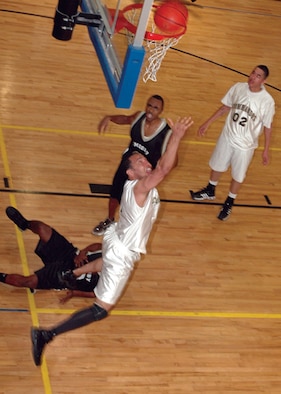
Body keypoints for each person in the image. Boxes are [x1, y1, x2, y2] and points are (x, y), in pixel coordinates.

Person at [30, 115, 193, 366]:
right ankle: (46, 334)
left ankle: (72, 273)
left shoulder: (136, 186)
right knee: (100, 310)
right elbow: (164, 168)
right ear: (130, 173)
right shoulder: (139, 187)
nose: (145, 161)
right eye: (139, 161)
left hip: (116, 236)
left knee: (106, 261)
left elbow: (165, 163)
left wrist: (172, 141)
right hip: (122, 247)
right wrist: (178, 135)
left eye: (145, 158)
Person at [190, 65, 275, 221]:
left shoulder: (267, 101)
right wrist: (207, 123)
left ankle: (229, 202)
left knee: (238, 175)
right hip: (227, 137)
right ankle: (210, 190)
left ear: (264, 81)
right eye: (252, 73)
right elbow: (225, 108)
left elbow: (267, 127)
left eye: (258, 76)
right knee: (216, 165)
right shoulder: (238, 87)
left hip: (245, 145)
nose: (252, 77)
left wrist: (266, 150)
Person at [93, 94, 176, 236]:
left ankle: (131, 230)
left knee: (135, 204)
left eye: (155, 108)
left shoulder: (166, 133)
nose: (150, 110)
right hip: (128, 165)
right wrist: (110, 117)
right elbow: (126, 119)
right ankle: (110, 219)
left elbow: (174, 162)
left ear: (161, 111)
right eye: (149, 105)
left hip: (144, 175)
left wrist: (162, 166)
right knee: (115, 191)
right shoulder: (139, 117)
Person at [2, 206, 102, 303]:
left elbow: (95, 294)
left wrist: (74, 293)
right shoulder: (114, 254)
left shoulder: (114, 281)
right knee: (42, 228)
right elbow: (99, 246)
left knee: (28, 282)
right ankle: (24, 224)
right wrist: (83, 251)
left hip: (63, 276)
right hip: (69, 254)